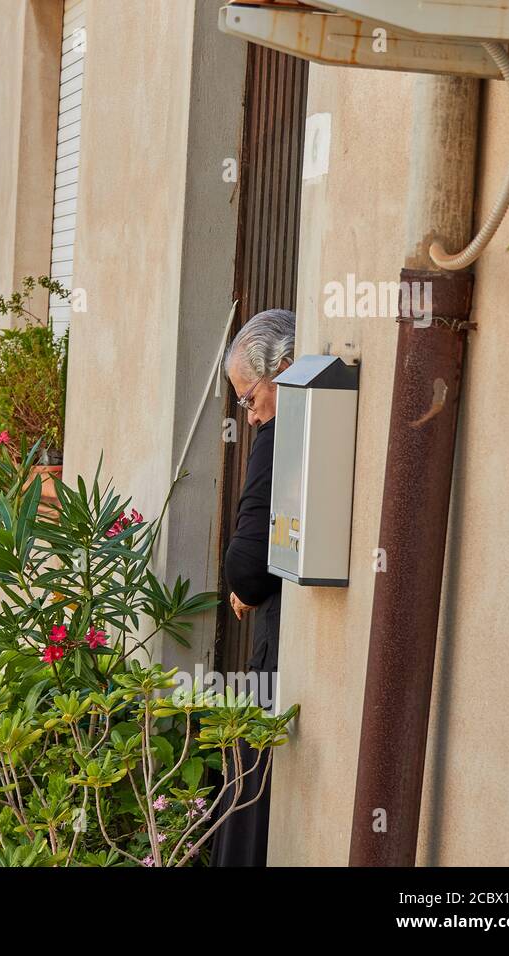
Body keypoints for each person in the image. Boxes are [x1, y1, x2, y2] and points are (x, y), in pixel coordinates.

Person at [210, 307, 295, 868]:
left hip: (281, 638)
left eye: (248, 396)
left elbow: (249, 559)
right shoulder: (307, 420)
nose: (251, 414)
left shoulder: (281, 431)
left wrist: (244, 585)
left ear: (283, 367)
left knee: (249, 785)